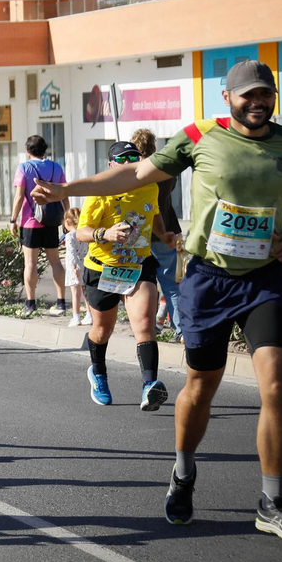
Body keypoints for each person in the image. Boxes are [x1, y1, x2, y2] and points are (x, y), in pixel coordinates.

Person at [32, 60, 282, 541]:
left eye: (265, 94)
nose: (257, 102)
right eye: (247, 95)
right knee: (200, 387)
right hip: (210, 278)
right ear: (228, 99)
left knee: (276, 386)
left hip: (266, 278)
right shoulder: (199, 135)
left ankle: (272, 500)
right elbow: (132, 175)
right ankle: (183, 472)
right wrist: (67, 189)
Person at [75, 140, 173, 411]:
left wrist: (163, 234)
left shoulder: (150, 186)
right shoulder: (99, 192)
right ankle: (98, 372)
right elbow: (81, 232)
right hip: (101, 268)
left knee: (144, 324)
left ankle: (149, 386)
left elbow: (153, 215)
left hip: (138, 265)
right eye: (123, 158)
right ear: (111, 165)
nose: (130, 161)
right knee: (102, 329)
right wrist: (104, 234)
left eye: (134, 156)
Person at [13, 134, 68, 316]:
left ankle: (30, 303)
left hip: (30, 222)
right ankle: (61, 302)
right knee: (56, 262)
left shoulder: (24, 168)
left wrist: (13, 219)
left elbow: (19, 196)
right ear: (45, 149)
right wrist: (67, 217)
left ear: (28, 151)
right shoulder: (56, 167)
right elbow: (64, 194)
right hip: (52, 221)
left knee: (30, 263)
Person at [138, 128, 185, 337]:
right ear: (154, 146)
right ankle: (181, 330)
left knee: (141, 285)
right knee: (171, 285)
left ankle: (145, 327)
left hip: (139, 235)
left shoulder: (136, 171)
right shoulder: (166, 171)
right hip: (164, 231)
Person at [60, 206, 89, 325]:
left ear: (67, 222)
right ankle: (89, 314)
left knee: (75, 293)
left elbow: (71, 253)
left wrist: (73, 267)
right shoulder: (84, 234)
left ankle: (76, 317)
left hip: (74, 267)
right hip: (86, 265)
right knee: (85, 291)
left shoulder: (70, 236)